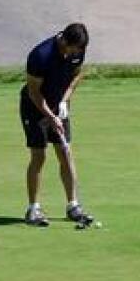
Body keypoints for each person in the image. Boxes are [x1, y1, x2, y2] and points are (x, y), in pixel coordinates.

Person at [19, 22, 95, 229]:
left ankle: (73, 206)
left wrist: (64, 101)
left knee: (65, 152)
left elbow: (77, 75)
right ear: (65, 41)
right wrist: (50, 116)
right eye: (74, 49)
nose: (76, 53)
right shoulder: (40, 55)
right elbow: (34, 92)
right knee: (39, 155)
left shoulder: (78, 51)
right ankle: (33, 208)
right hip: (34, 107)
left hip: (57, 106)